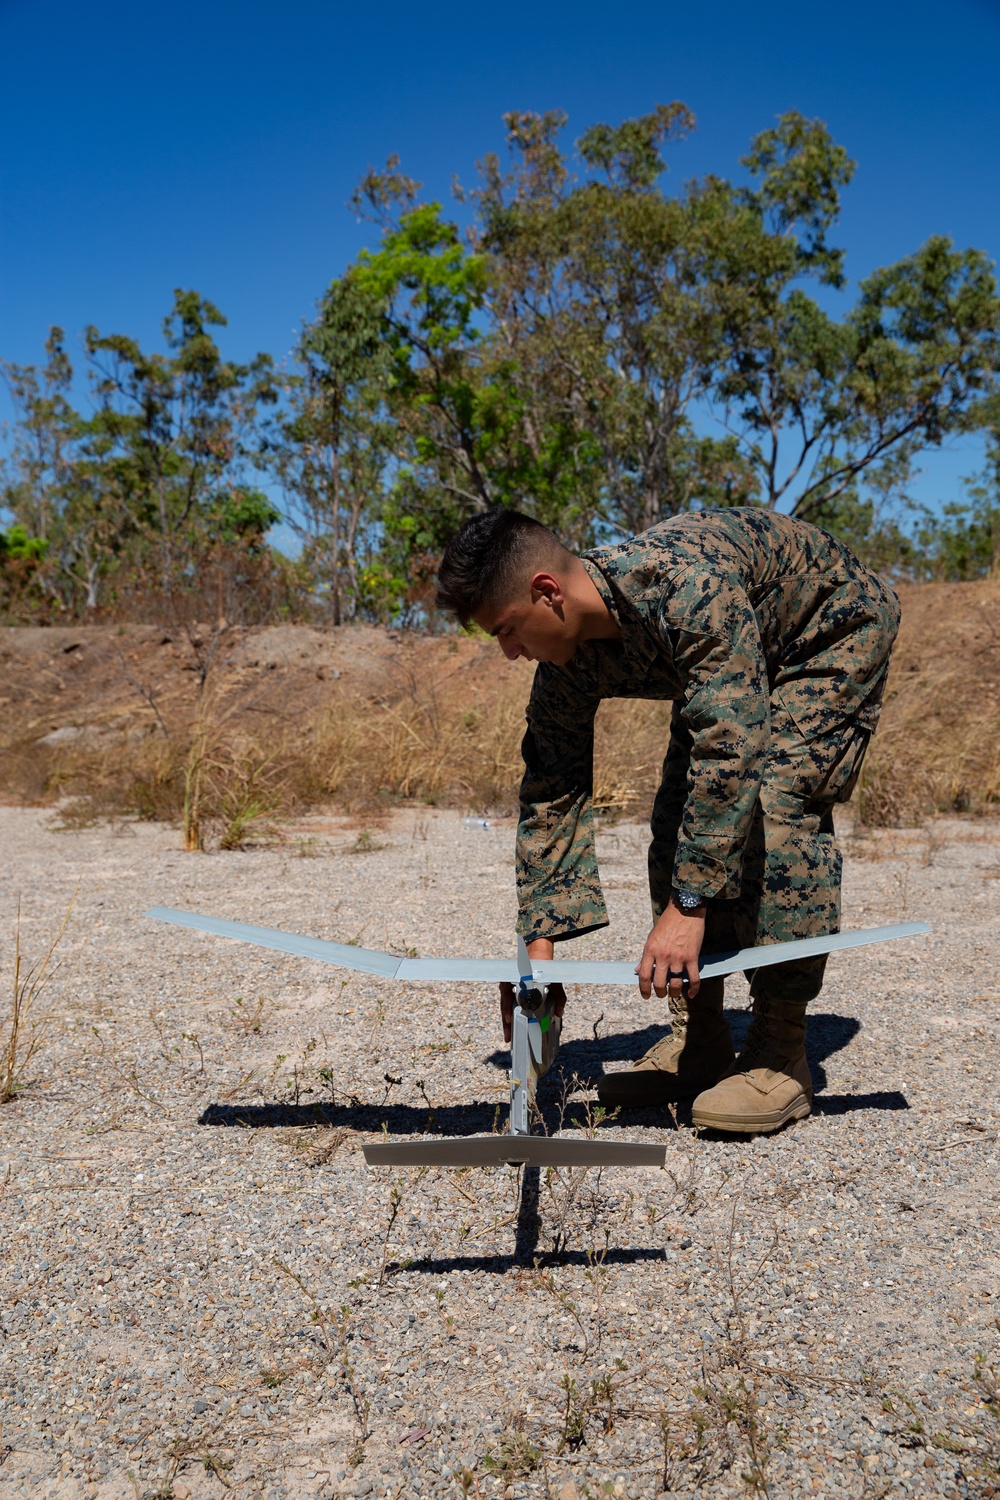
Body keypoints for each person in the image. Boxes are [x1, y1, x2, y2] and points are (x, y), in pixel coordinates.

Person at [434, 506, 900, 1134]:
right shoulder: (565, 662)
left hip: (829, 630)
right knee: (677, 815)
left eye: (507, 631)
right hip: (747, 649)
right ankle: (700, 1043)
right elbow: (552, 788)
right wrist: (538, 963)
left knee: (777, 805)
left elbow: (733, 749)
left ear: (547, 594)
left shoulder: (686, 591)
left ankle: (781, 1053)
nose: (510, 652)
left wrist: (689, 904)